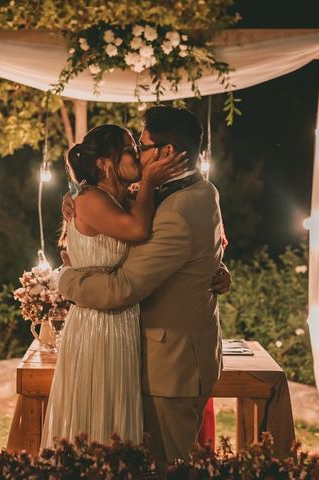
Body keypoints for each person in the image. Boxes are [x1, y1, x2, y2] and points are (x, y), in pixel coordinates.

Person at [58, 106, 227, 467]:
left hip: (170, 366)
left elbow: (122, 288)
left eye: (143, 147)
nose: (138, 154)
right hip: (168, 352)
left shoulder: (176, 210)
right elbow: (197, 246)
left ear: (167, 153)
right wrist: (77, 194)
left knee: (169, 467)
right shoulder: (204, 189)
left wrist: (66, 279)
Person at [39, 124, 188, 448]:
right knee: (95, 410)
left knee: (116, 411)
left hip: (121, 320)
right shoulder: (90, 198)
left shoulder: (120, 198)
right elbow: (136, 230)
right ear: (107, 162)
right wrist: (148, 182)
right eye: (129, 148)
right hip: (96, 323)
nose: (137, 154)